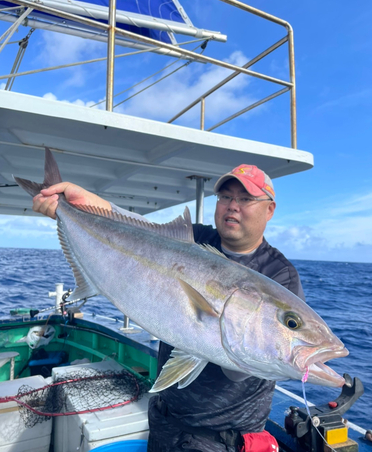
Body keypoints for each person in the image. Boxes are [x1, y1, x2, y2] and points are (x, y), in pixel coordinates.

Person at [32, 163, 304, 452]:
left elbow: (240, 368)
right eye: (225, 197)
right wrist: (82, 203)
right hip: (166, 420)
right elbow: (135, 227)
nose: (232, 206)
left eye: (245, 199)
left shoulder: (279, 275)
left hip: (223, 439)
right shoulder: (197, 239)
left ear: (270, 210)